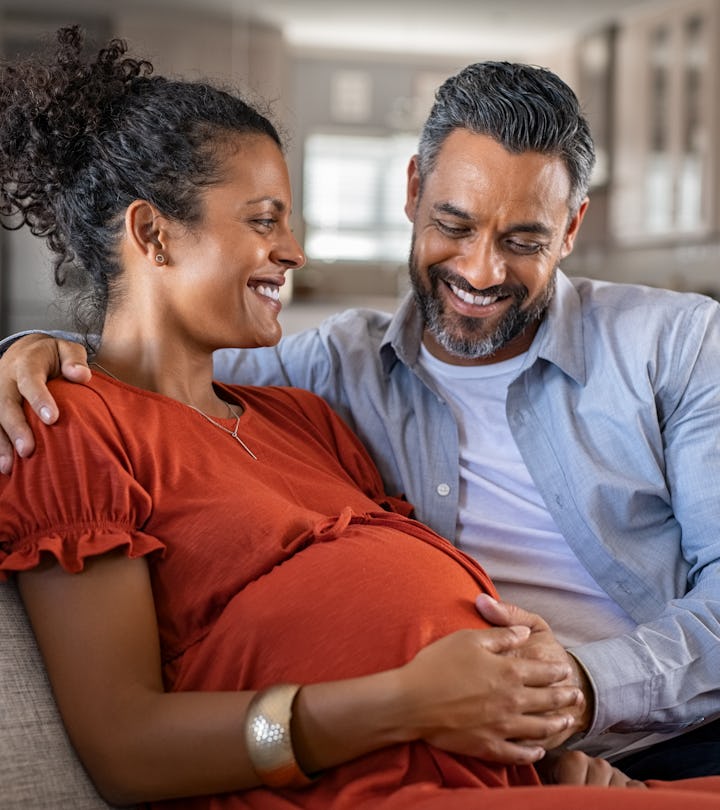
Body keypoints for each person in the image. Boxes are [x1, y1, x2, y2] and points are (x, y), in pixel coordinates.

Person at [7, 23, 720, 810]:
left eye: (523, 240)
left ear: (573, 228)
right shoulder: (323, 373)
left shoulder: (677, 345)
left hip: (651, 731)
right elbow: (132, 368)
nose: (480, 269)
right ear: (412, 190)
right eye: (453, 225)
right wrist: (24, 350)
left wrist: (575, 700)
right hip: (420, 763)